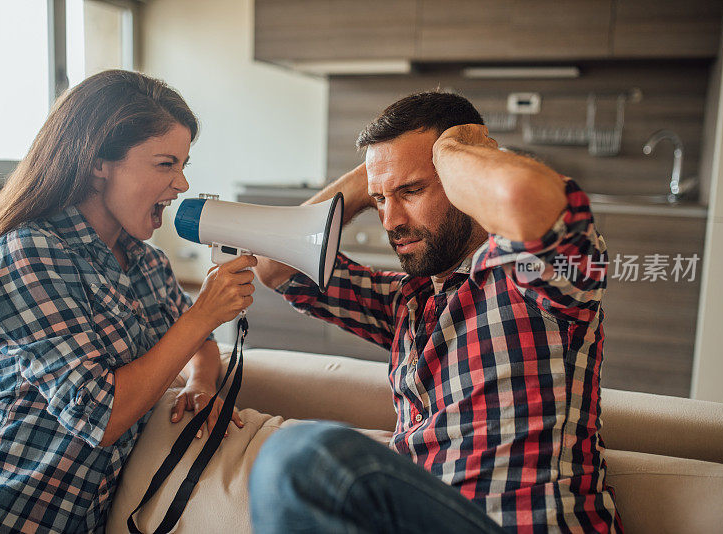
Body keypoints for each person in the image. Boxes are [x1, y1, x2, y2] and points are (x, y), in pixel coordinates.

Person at [249, 91, 622, 533]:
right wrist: (379, 173)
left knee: (303, 454)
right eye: (379, 202)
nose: (390, 221)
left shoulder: (538, 280)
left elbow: (522, 196)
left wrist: (453, 147)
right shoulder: (406, 302)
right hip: (426, 518)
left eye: (411, 191)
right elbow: (274, 264)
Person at [0, 70, 255, 533]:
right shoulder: (29, 253)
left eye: (184, 165)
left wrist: (202, 385)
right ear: (97, 162)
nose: (182, 184)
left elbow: (198, 341)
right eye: (166, 164)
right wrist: (205, 312)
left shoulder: (147, 264)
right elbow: (99, 417)